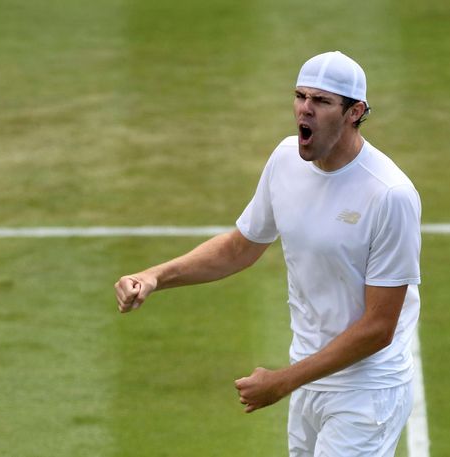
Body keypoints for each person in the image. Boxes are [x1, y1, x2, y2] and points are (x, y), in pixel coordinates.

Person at [114, 50, 422, 457]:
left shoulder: (390, 195)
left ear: (355, 112)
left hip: (366, 391)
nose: (305, 110)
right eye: (300, 96)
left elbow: (378, 328)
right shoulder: (284, 161)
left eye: (322, 101)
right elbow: (240, 247)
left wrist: (282, 381)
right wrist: (155, 276)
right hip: (309, 379)